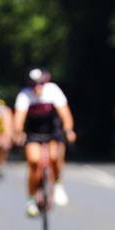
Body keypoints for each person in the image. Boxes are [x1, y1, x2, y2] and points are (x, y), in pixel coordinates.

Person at [13, 68, 77, 217]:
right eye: (34, 85)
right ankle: (31, 199)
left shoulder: (53, 91)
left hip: (52, 130)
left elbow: (65, 114)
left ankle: (58, 183)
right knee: (34, 162)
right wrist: (18, 133)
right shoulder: (24, 95)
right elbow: (19, 119)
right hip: (33, 132)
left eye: (40, 84)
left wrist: (68, 130)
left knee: (55, 156)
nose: (37, 88)